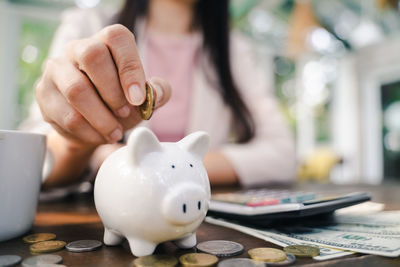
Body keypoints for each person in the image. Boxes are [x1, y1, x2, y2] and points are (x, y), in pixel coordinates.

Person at [24, 0, 296, 188]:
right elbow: (33, 164)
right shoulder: (88, 25)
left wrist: (149, 165)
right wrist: (81, 144)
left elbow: (282, 155)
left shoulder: (234, 50)